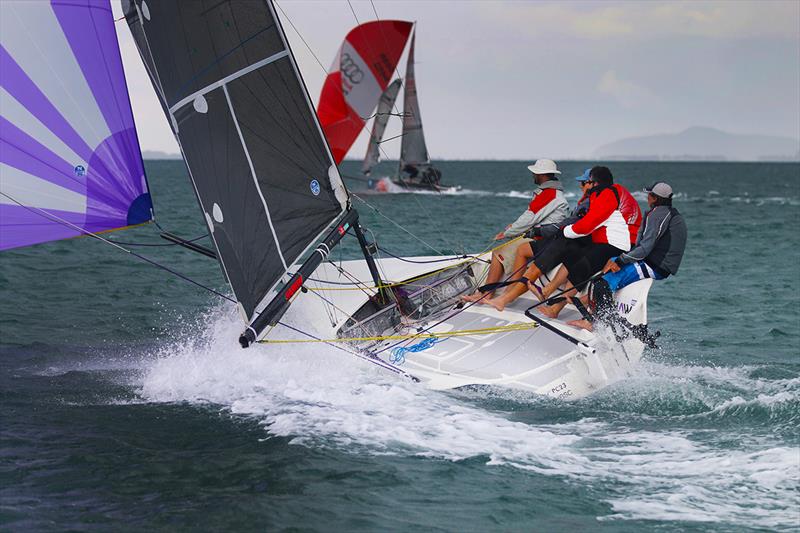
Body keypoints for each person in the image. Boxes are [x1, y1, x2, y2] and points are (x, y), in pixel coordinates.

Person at [485, 166, 630, 311]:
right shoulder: (595, 197)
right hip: (576, 238)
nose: (580, 186)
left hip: (591, 242)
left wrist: (516, 232)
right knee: (537, 252)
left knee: (564, 258)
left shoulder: (597, 196)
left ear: (594, 184)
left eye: (584, 183)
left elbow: (583, 225)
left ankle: (507, 297)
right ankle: (510, 295)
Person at [567, 181, 687, 331]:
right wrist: (619, 260)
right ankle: (591, 300)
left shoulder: (657, 215)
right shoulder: (670, 213)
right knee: (610, 263)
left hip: (656, 266)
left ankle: (593, 321)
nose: (647, 197)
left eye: (649, 195)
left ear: (655, 198)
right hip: (659, 263)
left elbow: (644, 249)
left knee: (602, 284)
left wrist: (621, 260)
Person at [462, 159, 569, 302]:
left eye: (535, 173)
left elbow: (529, 218)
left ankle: (489, 294)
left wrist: (507, 233)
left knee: (498, 252)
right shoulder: (552, 193)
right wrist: (513, 227)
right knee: (500, 251)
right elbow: (533, 218)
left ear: (542, 175)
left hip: (541, 239)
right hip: (545, 237)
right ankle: (490, 293)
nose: (533, 176)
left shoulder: (549, 194)